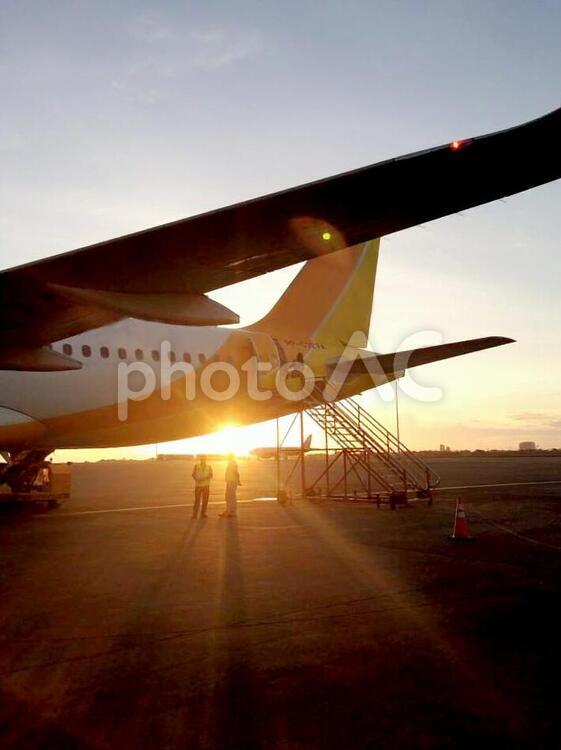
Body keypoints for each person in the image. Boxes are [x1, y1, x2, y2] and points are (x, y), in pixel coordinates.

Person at [220, 454, 241, 518]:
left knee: (231, 496)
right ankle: (228, 510)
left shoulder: (232, 463)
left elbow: (236, 472)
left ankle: (232, 512)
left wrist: (238, 480)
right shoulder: (231, 462)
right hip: (230, 481)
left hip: (232, 481)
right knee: (228, 496)